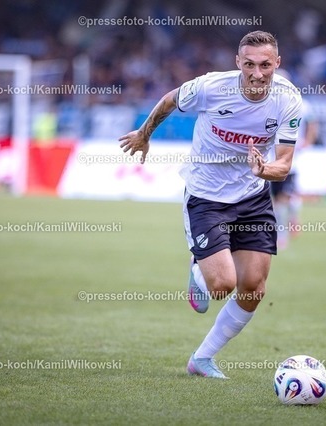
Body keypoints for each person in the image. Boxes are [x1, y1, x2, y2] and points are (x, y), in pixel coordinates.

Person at [119, 31, 302, 378]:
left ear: (277, 63)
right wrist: (144, 134)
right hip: (206, 196)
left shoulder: (288, 99)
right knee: (222, 285)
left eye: (265, 65)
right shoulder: (211, 87)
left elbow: (284, 164)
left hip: (252, 197)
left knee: (254, 288)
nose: (257, 74)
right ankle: (198, 267)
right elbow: (170, 100)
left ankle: (202, 359)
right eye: (249, 64)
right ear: (238, 63)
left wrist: (264, 170)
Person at [270, 97, 319, 248]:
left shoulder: (303, 104)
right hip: (270, 159)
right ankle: (291, 220)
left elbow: (312, 124)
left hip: (291, 160)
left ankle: (282, 234)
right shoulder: (269, 101)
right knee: (278, 198)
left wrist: (308, 141)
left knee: (282, 198)